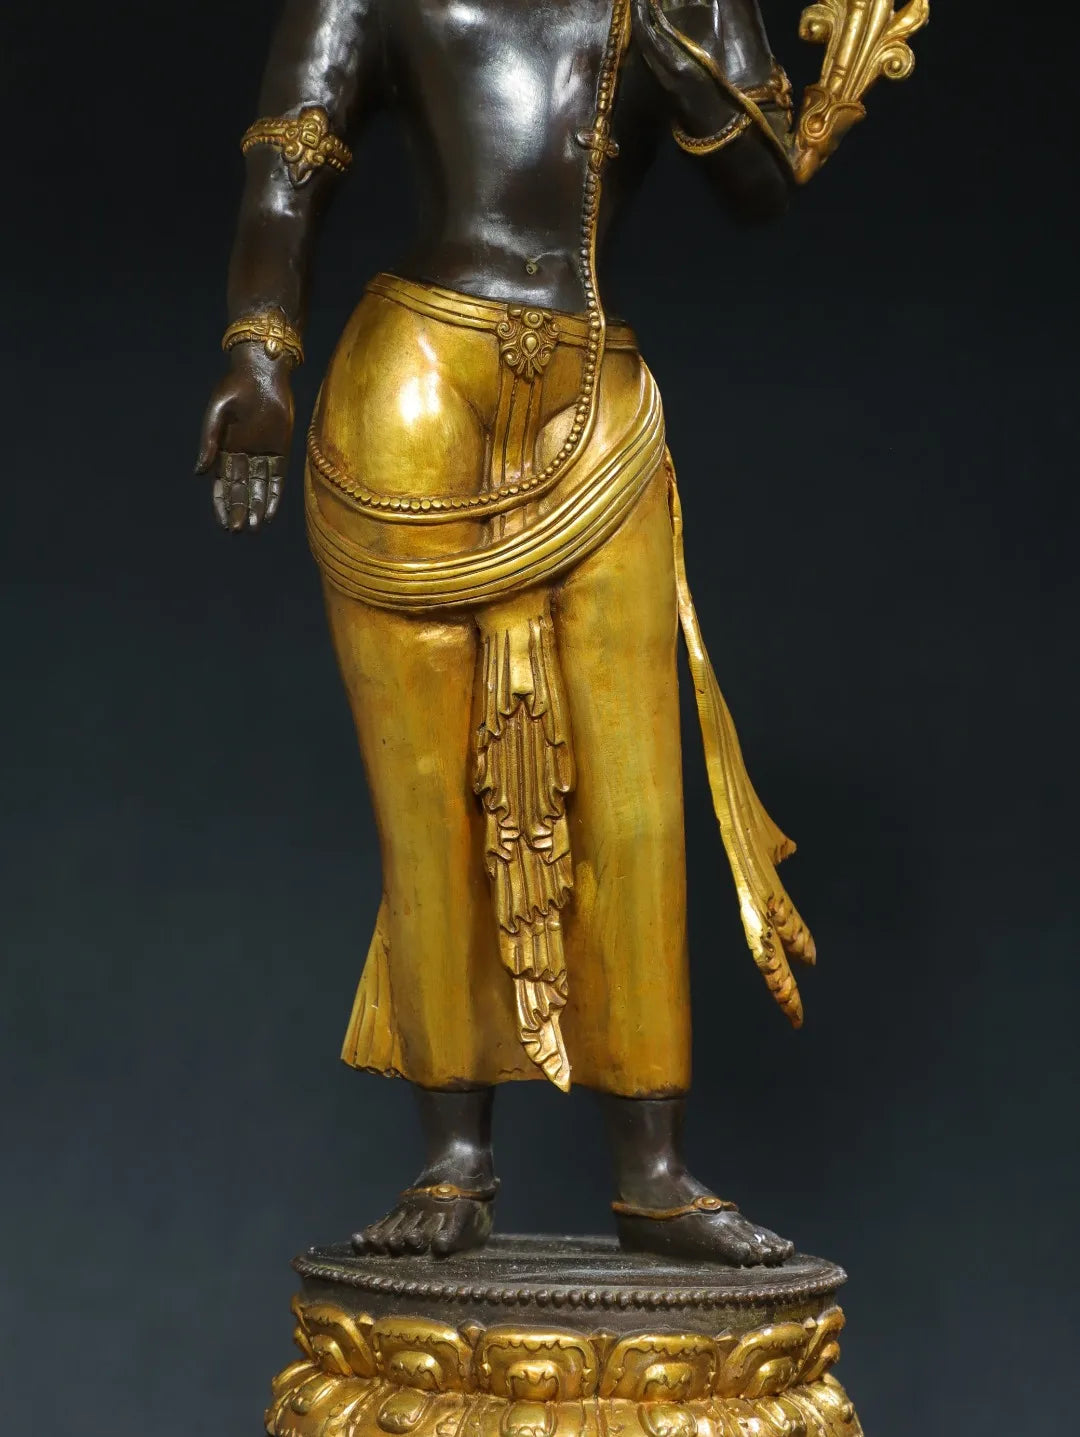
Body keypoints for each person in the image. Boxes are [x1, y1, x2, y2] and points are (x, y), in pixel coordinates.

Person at [196, 0, 814, 1265]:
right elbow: (291, 154)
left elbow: (763, 189)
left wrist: (688, 51)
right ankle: (452, 1157)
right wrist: (260, 354)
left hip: (594, 394)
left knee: (635, 803)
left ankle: (654, 1167)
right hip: (417, 378)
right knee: (430, 793)